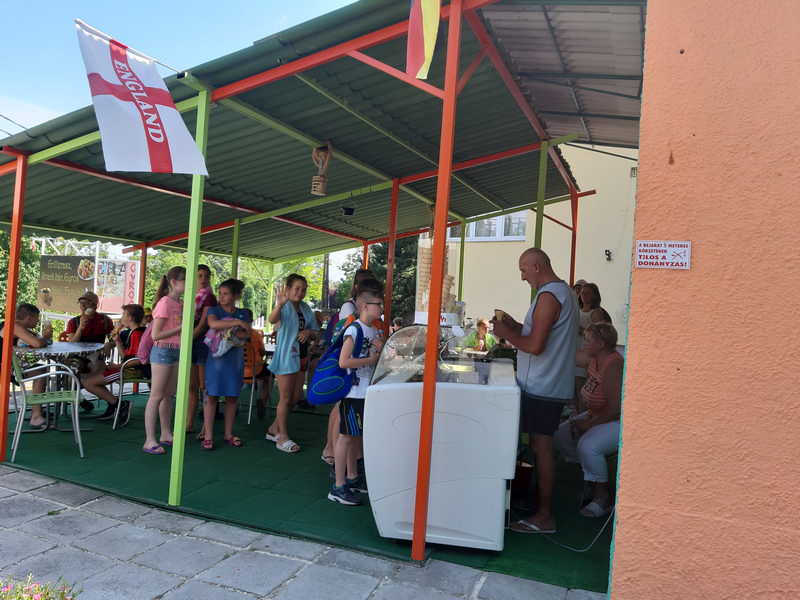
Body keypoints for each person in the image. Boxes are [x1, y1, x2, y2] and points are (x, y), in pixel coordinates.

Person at [491, 248, 579, 534]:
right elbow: (536, 335)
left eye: (524, 270)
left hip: (544, 385)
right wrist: (515, 326)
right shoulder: (563, 292)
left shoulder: (549, 296)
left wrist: (506, 334)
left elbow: (535, 346)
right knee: (540, 448)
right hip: (549, 383)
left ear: (537, 267)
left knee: (542, 449)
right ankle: (540, 502)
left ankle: (545, 516)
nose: (522, 277)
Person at [556, 322, 623, 518]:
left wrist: (589, 425)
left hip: (618, 421)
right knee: (563, 434)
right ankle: (592, 484)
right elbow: (566, 354)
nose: (584, 343)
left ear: (600, 344)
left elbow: (615, 408)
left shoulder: (613, 365)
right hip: (598, 414)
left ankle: (602, 499)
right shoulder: (594, 358)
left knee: (588, 446)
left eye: (588, 340)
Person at [327, 283, 385, 505]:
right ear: (364, 306)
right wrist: (371, 358)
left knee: (353, 436)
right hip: (352, 393)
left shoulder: (373, 330)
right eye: (378, 304)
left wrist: (377, 353)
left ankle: (352, 478)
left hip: (363, 392)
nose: (381, 308)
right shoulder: (354, 329)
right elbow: (344, 362)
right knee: (346, 437)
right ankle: (338, 485)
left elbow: (371, 359)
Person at [265, 274, 319, 453]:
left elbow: (315, 333)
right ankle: (282, 437)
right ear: (288, 289)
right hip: (286, 357)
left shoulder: (305, 308)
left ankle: (274, 429)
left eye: (303, 289)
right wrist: (279, 304)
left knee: (295, 398)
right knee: (286, 398)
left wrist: (308, 332)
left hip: (301, 356)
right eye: (297, 288)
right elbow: (272, 320)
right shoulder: (284, 305)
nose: (300, 292)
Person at [201, 278, 251, 450]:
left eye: (226, 294)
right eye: (220, 293)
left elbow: (247, 333)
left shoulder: (243, 313)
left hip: (235, 361)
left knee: (232, 397)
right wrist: (236, 324)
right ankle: (208, 435)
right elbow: (213, 323)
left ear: (236, 296)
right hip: (216, 362)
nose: (221, 297)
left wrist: (230, 330)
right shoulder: (214, 310)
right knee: (212, 396)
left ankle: (228, 433)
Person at [142, 266, 186, 455]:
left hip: (177, 351)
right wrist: (180, 328)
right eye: (185, 280)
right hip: (163, 351)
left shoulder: (181, 303)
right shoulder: (165, 303)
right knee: (156, 396)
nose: (188, 284)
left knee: (169, 394)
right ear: (174, 282)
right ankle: (149, 439)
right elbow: (156, 334)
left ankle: (166, 433)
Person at [82, 303, 147, 427]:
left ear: (130, 318)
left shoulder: (137, 334)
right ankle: (114, 404)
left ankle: (120, 405)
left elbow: (138, 361)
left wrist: (116, 366)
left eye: (124, 315)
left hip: (131, 371)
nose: (122, 318)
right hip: (127, 368)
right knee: (92, 377)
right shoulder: (132, 332)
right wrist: (117, 341)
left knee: (88, 383)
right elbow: (126, 357)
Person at [0, 304, 52, 429]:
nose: (38, 321)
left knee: (41, 369)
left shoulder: (14, 325)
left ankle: (37, 409)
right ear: (29, 317)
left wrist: (42, 338)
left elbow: (36, 337)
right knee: (40, 372)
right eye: (37, 318)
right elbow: (37, 342)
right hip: (4, 369)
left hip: (8, 367)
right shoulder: (14, 326)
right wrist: (45, 338)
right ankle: (36, 416)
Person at [66, 291, 115, 411]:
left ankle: (112, 402)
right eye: (81, 303)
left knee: (99, 372)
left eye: (87, 303)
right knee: (71, 373)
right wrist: (80, 327)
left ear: (95, 305)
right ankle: (80, 399)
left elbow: (115, 340)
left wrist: (109, 344)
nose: (83, 306)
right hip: (78, 356)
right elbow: (71, 344)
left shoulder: (105, 320)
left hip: (96, 356)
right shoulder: (74, 322)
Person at [187, 264, 217, 436]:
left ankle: (206, 427)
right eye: (200, 275)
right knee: (192, 386)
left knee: (204, 387)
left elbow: (203, 324)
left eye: (207, 275)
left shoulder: (209, 297)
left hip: (203, 343)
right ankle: (189, 423)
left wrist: (186, 341)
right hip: (192, 342)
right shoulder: (191, 295)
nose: (204, 279)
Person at [242, 308, 273, 420]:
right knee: (270, 375)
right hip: (255, 370)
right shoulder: (256, 334)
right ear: (251, 321)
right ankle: (263, 403)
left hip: (238, 370)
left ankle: (233, 404)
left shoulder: (233, 335)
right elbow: (263, 352)